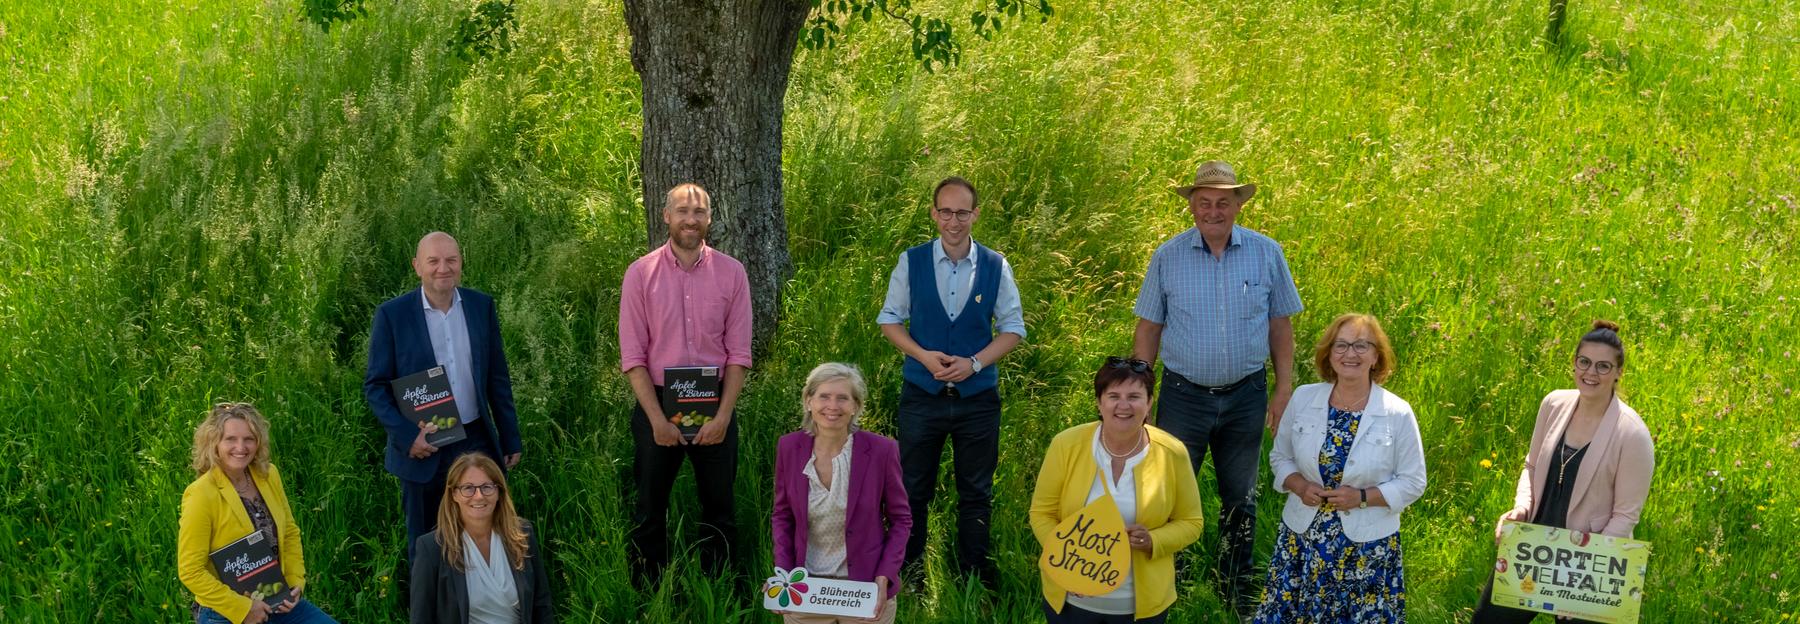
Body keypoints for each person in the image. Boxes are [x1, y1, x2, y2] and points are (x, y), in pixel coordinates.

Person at [1130, 160, 1302, 610]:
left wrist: (1283, 390)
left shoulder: (1267, 253)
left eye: (1222, 202)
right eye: (1203, 202)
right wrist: (1140, 392)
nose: (1212, 210)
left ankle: (1236, 590)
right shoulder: (1168, 256)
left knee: (1240, 497)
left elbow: (1280, 326)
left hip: (1246, 395)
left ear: (1238, 205)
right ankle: (1171, 583)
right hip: (1183, 396)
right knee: (1168, 495)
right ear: (1190, 207)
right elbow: (1148, 329)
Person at [877, 176, 1025, 587]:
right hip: (921, 395)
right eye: (946, 211)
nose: (954, 221)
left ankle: (973, 571)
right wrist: (923, 356)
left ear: (975, 214)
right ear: (934, 214)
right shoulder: (912, 261)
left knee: (976, 490)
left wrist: (974, 364)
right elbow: (890, 319)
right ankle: (909, 571)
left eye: (962, 212)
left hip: (977, 399)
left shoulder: (996, 265)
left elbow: (1013, 328)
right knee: (912, 488)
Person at [1472, 320, 1655, 623]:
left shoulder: (1632, 433)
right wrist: (1522, 508)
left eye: (1603, 366)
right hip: (1534, 549)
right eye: (1584, 362)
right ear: (1574, 362)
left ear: (1619, 372)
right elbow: (1531, 466)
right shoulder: (1553, 403)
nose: (1590, 373)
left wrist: (1576, 578)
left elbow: (1625, 516)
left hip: (1591, 566)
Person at [1252, 313, 1427, 622]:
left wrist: (1361, 497)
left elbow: (1413, 482)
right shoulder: (1304, 398)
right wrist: (1299, 486)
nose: (1350, 354)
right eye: (1341, 345)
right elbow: (1280, 457)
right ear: (1329, 354)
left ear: (1376, 355)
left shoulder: (1397, 412)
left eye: (1361, 345)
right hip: (1302, 541)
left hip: (1367, 549)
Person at [619, 182, 753, 580]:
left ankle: (719, 589)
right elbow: (633, 357)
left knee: (720, 509)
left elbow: (739, 355)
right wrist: (658, 420)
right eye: (682, 211)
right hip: (657, 403)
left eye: (698, 212)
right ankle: (648, 594)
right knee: (648, 510)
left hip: (715, 403)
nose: (690, 220)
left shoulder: (732, 273)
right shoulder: (640, 274)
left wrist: (723, 417)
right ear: (667, 216)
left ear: (709, 218)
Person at [365, 231, 524, 562]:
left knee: (483, 531)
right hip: (424, 444)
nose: (443, 268)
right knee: (425, 540)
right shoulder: (393, 315)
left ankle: (478, 603)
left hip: (476, 437)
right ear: (417, 266)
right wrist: (409, 437)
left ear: (461, 263)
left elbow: (497, 376)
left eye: (451, 260)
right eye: (433, 261)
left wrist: (509, 437)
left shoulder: (480, 306)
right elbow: (375, 386)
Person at [1029, 357, 1206, 623]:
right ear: (1099, 403)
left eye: (1134, 396)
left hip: (1140, 609)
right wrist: (1065, 563)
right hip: (1070, 602)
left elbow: (1192, 522)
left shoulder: (1172, 453)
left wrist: (1153, 541)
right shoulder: (1066, 445)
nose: (1123, 406)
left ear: (1149, 404)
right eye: (1113, 396)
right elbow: (1041, 513)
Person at [769, 363, 910, 623]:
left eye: (842, 398)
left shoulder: (882, 451)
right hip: (806, 590)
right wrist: (783, 574)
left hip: (866, 591)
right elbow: (782, 515)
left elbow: (901, 520)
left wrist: (884, 576)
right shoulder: (789, 447)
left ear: (855, 406)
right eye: (824, 396)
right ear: (809, 401)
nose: (832, 406)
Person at [178, 402, 338, 624]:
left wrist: (294, 582)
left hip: (279, 600)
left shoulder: (268, 475)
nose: (241, 447)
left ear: (258, 443)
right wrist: (243, 609)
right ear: (214, 443)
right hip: (227, 612)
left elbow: (290, 531)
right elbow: (190, 570)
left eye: (249, 439)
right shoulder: (200, 494)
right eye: (231, 439)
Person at [410, 453, 555, 624]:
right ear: (454, 494)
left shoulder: (522, 534)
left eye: (487, 487)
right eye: (468, 488)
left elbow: (542, 604)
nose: (479, 496)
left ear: (499, 492)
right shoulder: (432, 548)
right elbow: (421, 618)